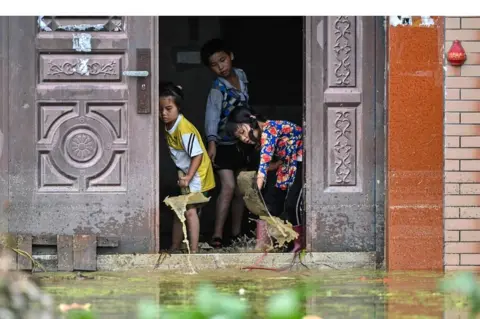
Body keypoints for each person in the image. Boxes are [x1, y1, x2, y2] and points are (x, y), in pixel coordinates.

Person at [225, 107, 304, 253]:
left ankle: (299, 246)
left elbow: (265, 160)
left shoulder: (269, 129)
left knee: (293, 204)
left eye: (242, 132)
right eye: (239, 137)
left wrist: (255, 189)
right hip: (287, 164)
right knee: (271, 202)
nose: (244, 139)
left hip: (302, 162)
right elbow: (271, 162)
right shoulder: (259, 138)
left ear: (251, 120)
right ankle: (263, 246)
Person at [201, 38, 255, 248]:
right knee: (228, 187)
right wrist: (212, 142)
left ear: (230, 56)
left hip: (241, 142)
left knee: (241, 189)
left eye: (222, 60)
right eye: (214, 65)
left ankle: (236, 234)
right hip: (223, 144)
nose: (220, 67)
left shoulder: (241, 75)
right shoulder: (217, 88)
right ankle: (217, 235)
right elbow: (211, 116)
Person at [159, 83, 216, 253]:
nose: (163, 113)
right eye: (160, 109)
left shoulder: (184, 129)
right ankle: (175, 247)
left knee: (190, 211)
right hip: (187, 174)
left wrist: (189, 177)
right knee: (180, 210)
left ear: (178, 107)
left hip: (198, 174)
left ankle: (194, 250)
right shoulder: (169, 125)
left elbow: (197, 155)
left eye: (168, 108)